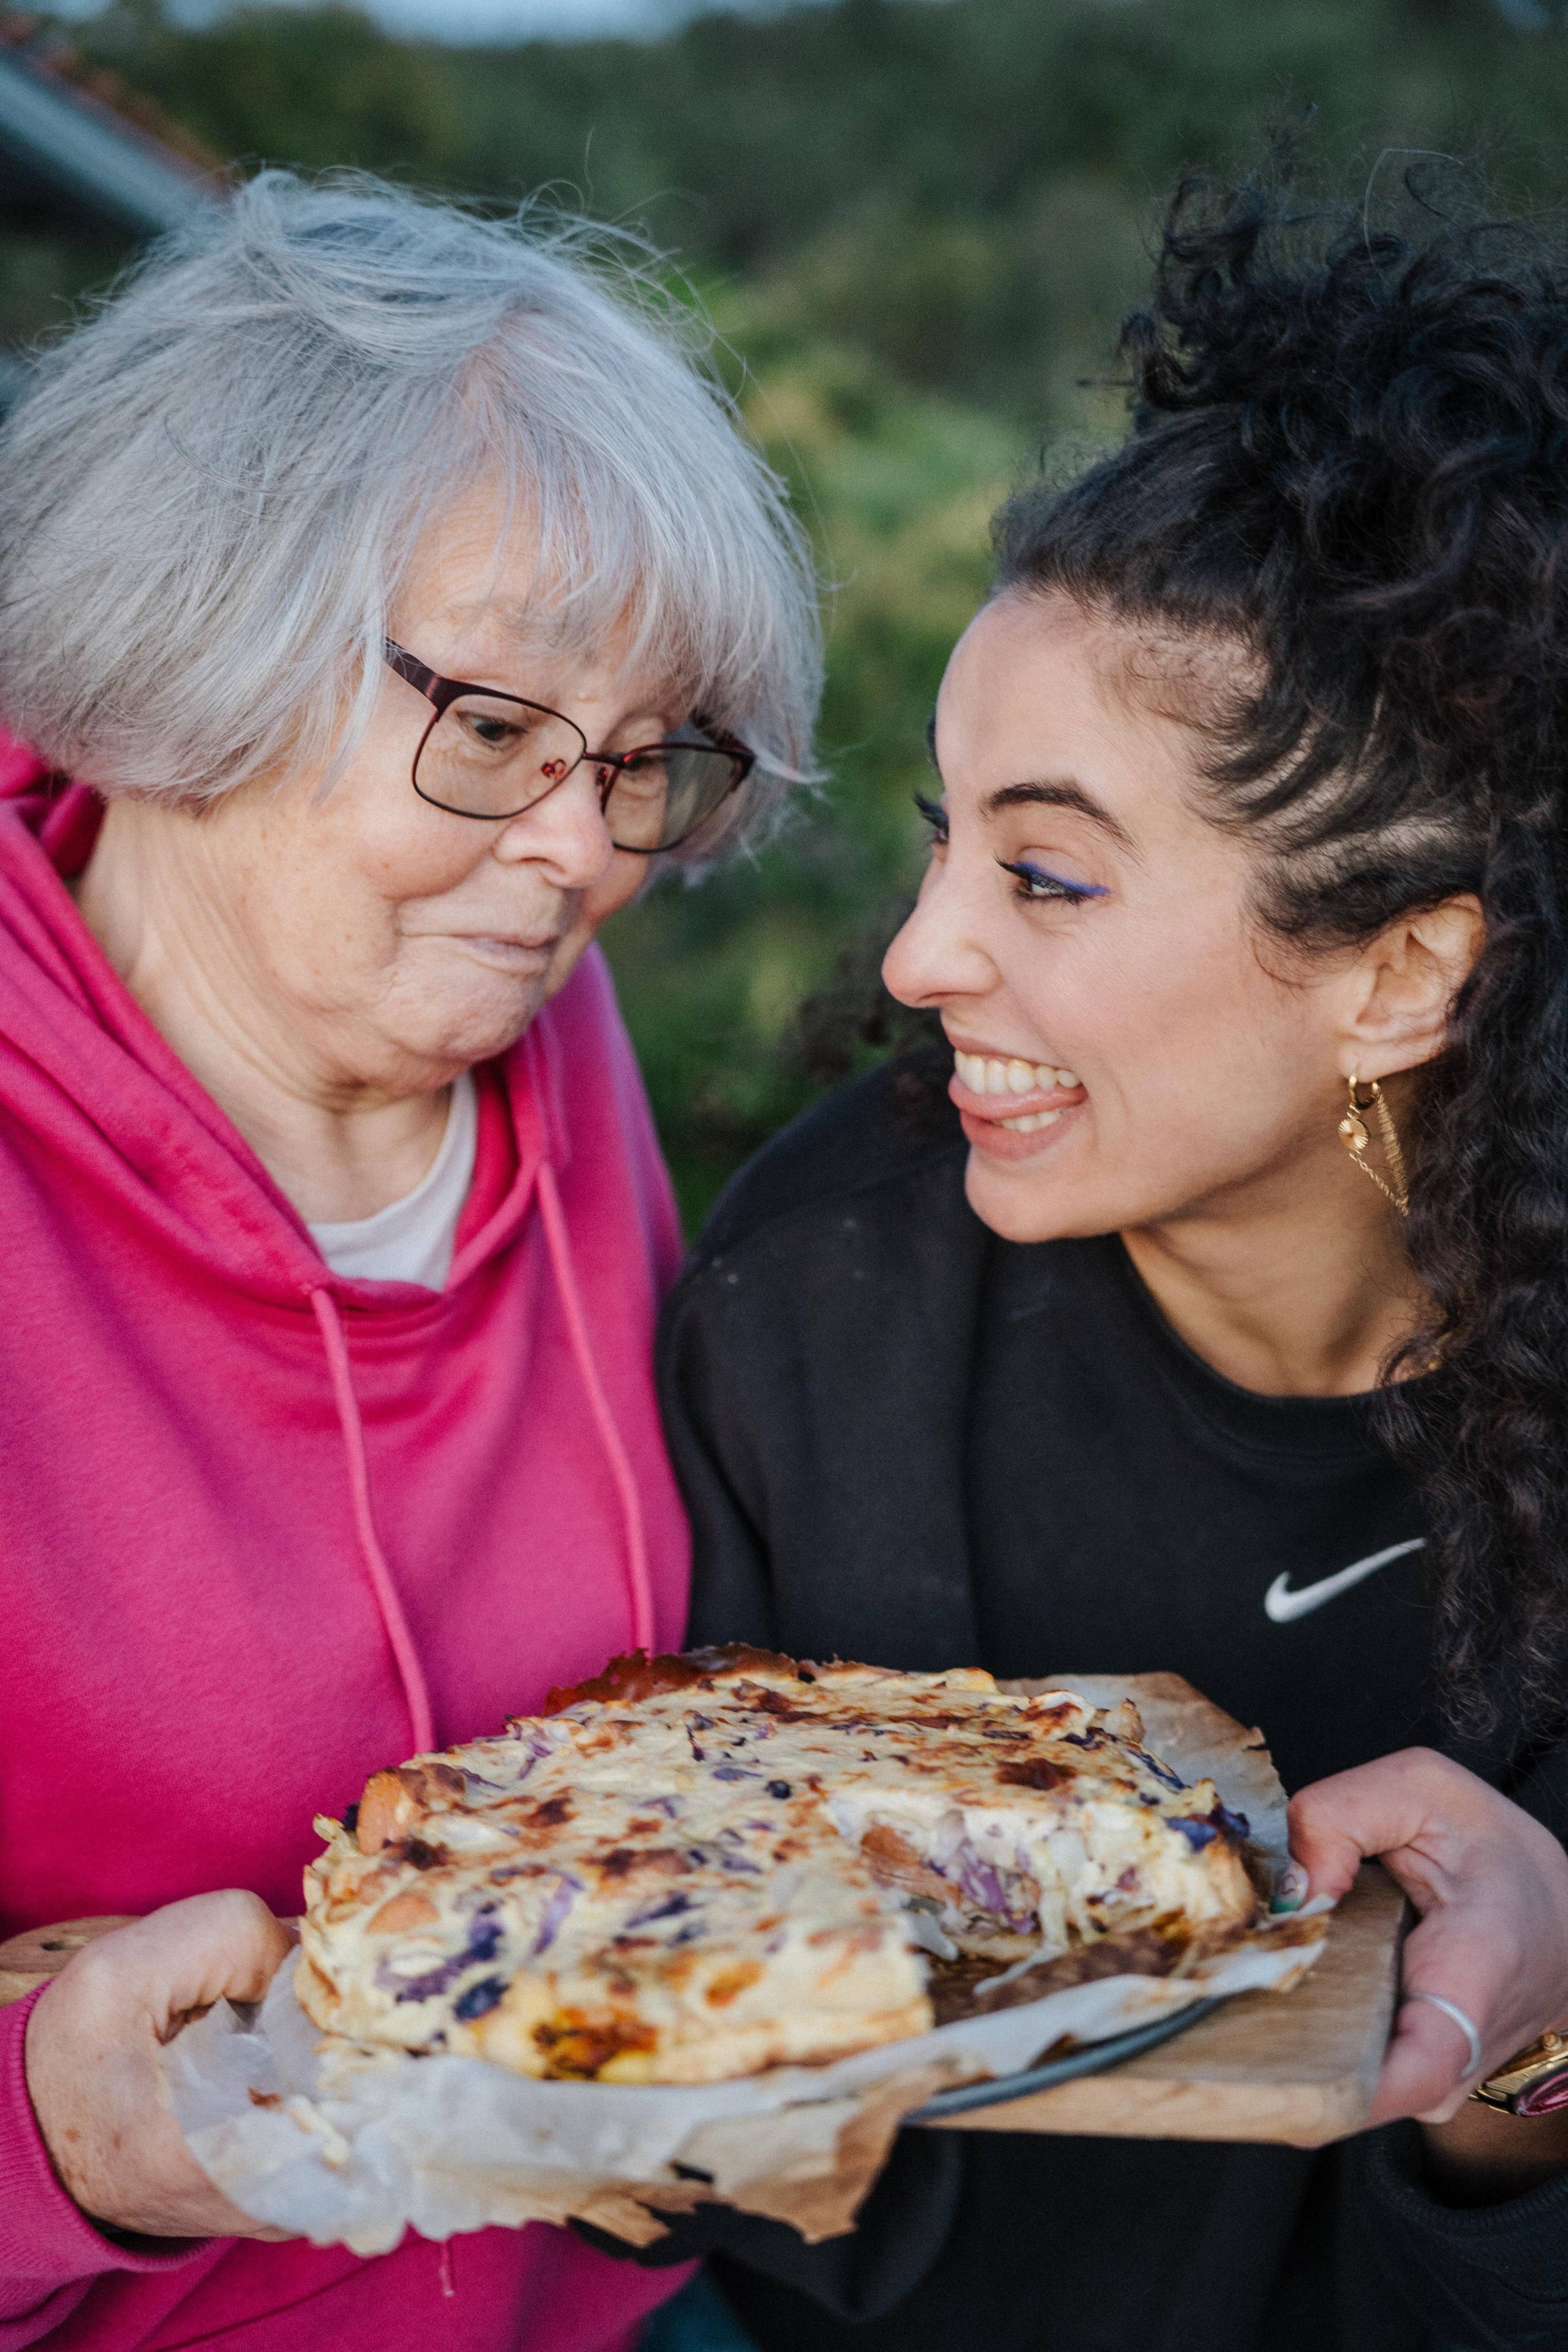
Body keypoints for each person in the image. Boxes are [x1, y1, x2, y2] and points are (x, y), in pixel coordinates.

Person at [644, 181, 1568, 2349]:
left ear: (1402, 974)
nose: (914, 955)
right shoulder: (824, 1302)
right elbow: (721, 2188)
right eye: (941, 837)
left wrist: (1530, 2067)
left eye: (1044, 874)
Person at [0, 172, 818, 2351]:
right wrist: (49, 2144)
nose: (579, 852)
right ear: (198, 635)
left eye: (645, 759)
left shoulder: (514, 999)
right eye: (491, 729)